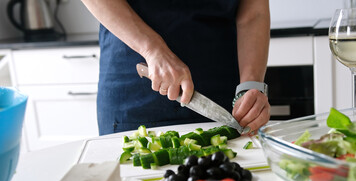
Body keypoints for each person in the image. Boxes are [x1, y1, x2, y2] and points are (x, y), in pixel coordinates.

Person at [81, 0, 271, 135]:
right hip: (136, 86)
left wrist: (250, 85)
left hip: (223, 89)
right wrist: (152, 49)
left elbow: (254, 13)